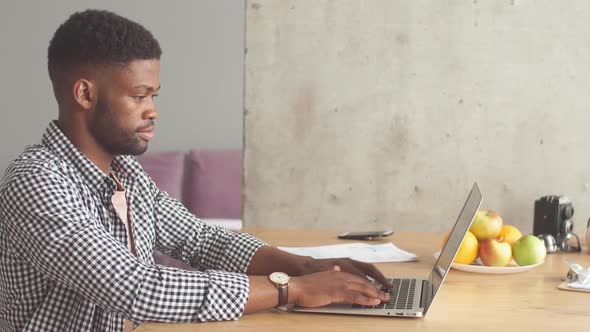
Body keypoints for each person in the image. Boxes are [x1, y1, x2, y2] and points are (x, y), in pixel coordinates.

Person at [0, 9, 390, 332]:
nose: (152, 109)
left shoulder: (127, 174)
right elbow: (137, 289)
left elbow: (204, 241)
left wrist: (308, 268)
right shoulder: (36, 182)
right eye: (138, 96)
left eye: (153, 95)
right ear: (85, 94)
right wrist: (292, 289)